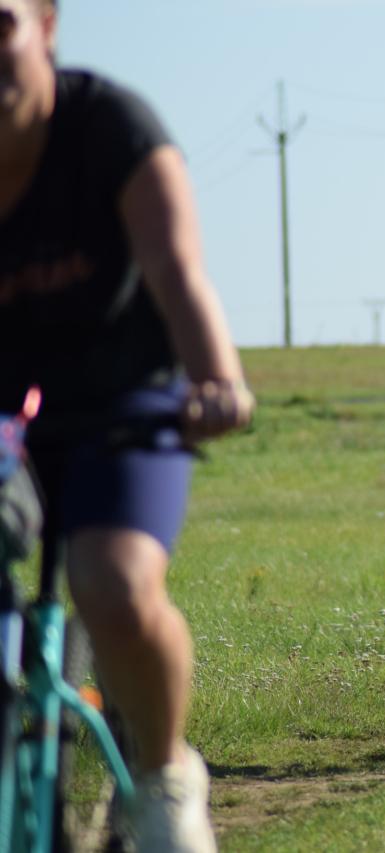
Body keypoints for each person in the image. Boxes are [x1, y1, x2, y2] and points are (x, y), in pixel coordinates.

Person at [0, 1, 254, 849]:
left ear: (45, 26)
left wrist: (217, 377)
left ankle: (163, 776)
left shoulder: (112, 127)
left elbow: (177, 271)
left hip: (124, 396)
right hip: (7, 412)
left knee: (111, 582)